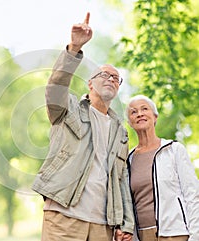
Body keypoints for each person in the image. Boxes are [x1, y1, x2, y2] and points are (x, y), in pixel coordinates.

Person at [32, 12, 134, 241]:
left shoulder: (121, 131)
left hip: (103, 225)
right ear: (90, 83)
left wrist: (125, 223)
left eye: (116, 78)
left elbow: (121, 178)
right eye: (105, 75)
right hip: (64, 217)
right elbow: (56, 86)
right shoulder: (68, 110)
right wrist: (73, 49)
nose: (111, 79)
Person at [126, 94, 199, 241]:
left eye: (144, 109)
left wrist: (195, 235)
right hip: (142, 235)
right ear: (130, 122)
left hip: (175, 233)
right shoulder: (128, 159)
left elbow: (192, 194)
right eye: (133, 112)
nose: (139, 114)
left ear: (155, 117)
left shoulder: (174, 150)